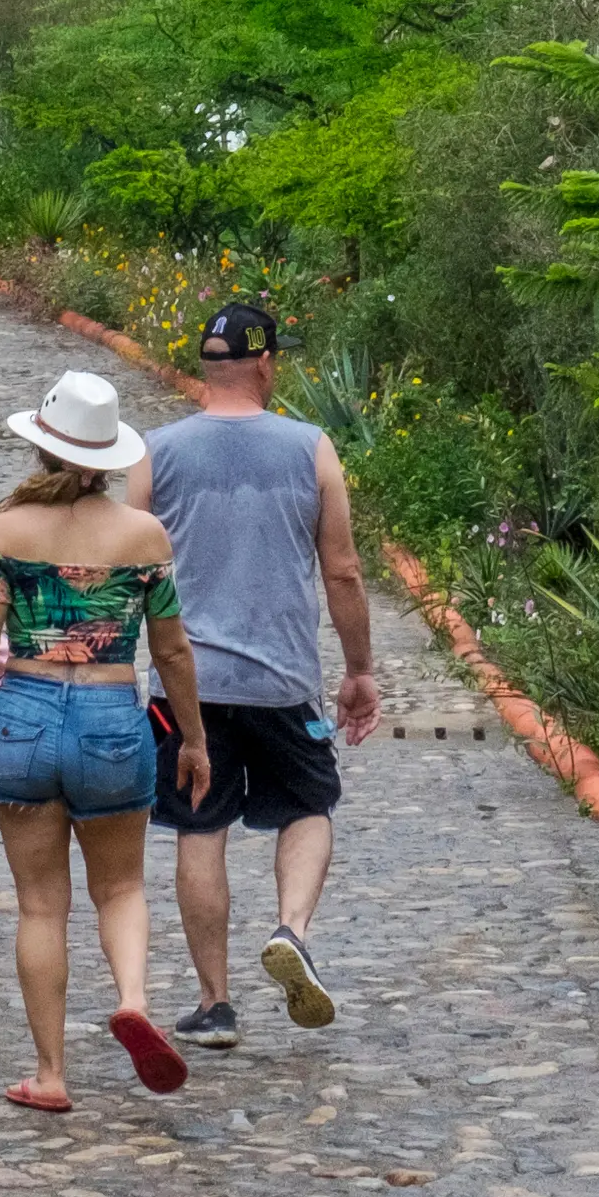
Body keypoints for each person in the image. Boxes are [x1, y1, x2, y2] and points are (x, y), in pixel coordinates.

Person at [0, 369, 215, 1113]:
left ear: (44, 449)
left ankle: (51, 1074)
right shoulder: (143, 537)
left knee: (40, 907)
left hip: (21, 716)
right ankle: (134, 999)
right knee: (120, 886)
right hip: (113, 716)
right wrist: (193, 740)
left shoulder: (8, 530)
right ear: (107, 456)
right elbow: (174, 651)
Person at [143, 301, 380, 1050]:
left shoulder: (156, 452)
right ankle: (291, 929)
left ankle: (215, 1005)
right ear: (268, 363)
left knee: (198, 825)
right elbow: (341, 571)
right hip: (281, 683)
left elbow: (135, 569)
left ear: (206, 367)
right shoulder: (312, 448)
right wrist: (360, 670)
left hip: (186, 688)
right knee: (310, 804)